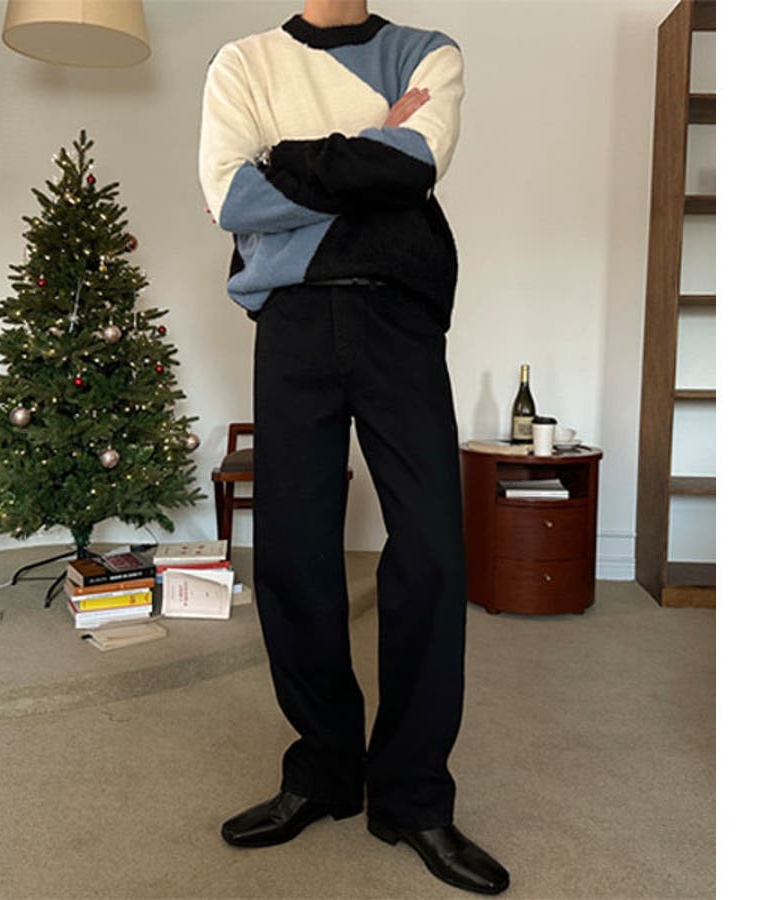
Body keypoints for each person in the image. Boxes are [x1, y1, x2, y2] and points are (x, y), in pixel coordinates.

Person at [198, 1, 510, 894]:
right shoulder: (241, 62)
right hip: (292, 323)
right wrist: (372, 142)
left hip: (397, 314)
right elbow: (230, 198)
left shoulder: (427, 53)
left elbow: (415, 165)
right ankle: (326, 771)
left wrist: (287, 160)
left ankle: (413, 798)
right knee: (293, 552)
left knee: (433, 551)